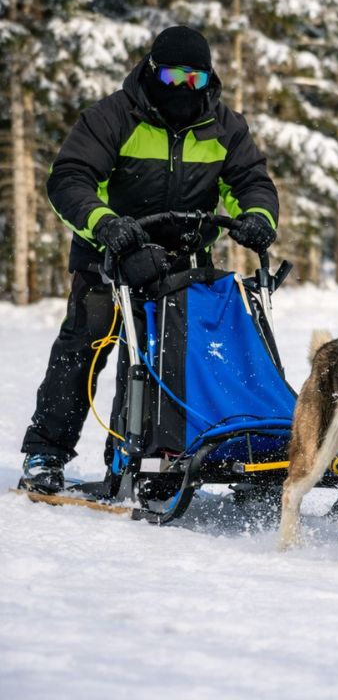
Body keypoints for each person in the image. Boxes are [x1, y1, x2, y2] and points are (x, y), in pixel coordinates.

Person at [19, 25, 280, 494]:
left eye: (196, 80)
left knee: (179, 355)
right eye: (175, 77)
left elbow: (250, 182)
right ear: (152, 70)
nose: (184, 89)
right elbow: (70, 179)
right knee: (86, 347)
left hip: (180, 261)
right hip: (108, 255)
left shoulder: (223, 126)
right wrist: (107, 226)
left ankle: (166, 453)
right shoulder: (113, 116)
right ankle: (46, 452)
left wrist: (258, 217)